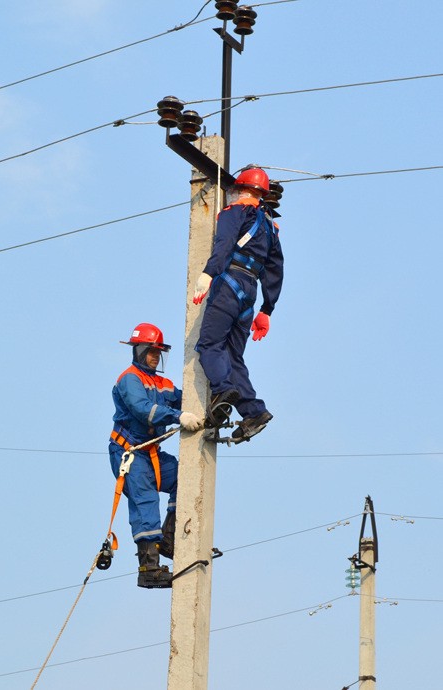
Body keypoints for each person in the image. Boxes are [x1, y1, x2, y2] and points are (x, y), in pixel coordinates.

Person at [193, 166, 284, 442]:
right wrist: (267, 310)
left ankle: (222, 392)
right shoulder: (270, 227)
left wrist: (208, 273)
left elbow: (224, 243)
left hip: (228, 283)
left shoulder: (234, 213)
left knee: (209, 345)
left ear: (240, 189)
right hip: (250, 292)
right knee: (233, 357)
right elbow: (275, 268)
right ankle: (253, 411)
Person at [109, 322, 203, 588]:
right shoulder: (130, 379)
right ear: (138, 350)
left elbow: (184, 400)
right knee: (145, 500)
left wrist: (209, 401)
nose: (155, 356)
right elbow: (143, 409)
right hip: (129, 452)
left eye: (158, 351)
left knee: (183, 479)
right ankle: (148, 569)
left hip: (151, 453)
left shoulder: (162, 382)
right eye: (151, 350)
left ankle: (169, 540)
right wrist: (178, 416)